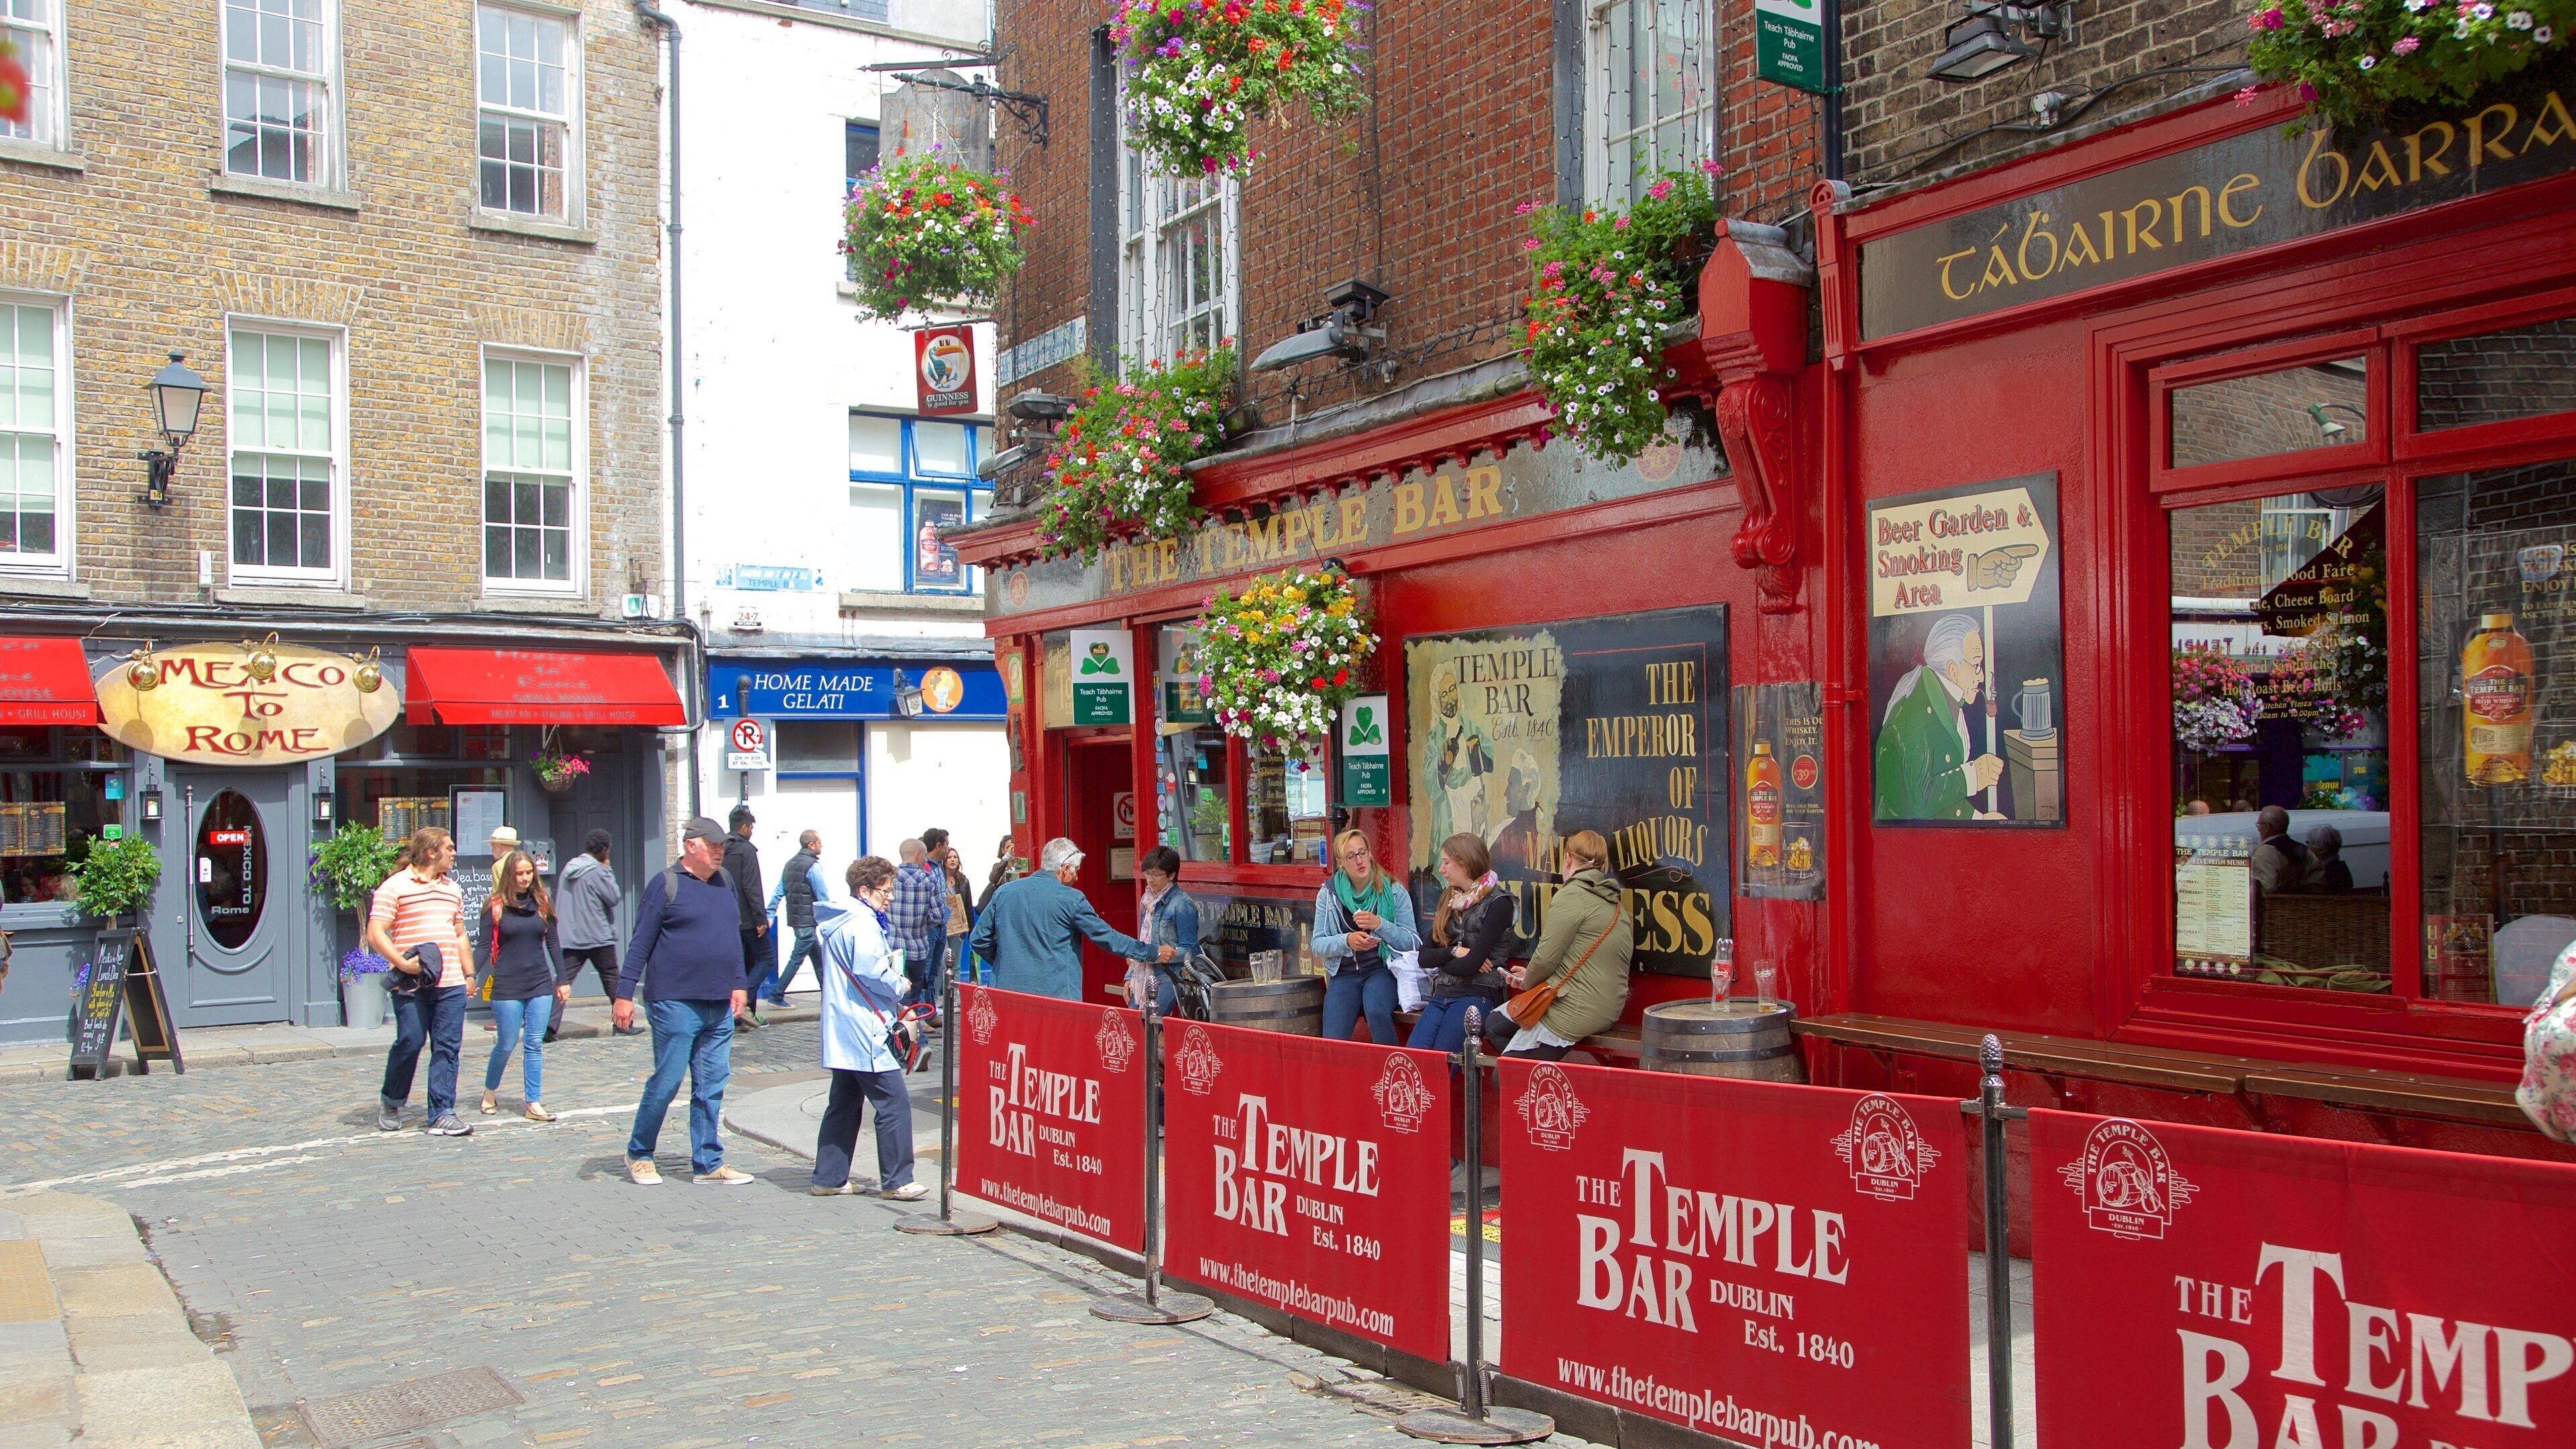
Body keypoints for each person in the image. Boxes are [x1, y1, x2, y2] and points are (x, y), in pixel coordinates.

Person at [614, 816, 756, 1187]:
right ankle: (640, 1153)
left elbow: (732, 939)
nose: (719, 852)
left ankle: (708, 1162)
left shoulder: (724, 882)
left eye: (721, 845)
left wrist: (739, 983)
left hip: (718, 1002)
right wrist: (624, 993)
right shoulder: (666, 883)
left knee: (711, 1084)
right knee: (668, 1079)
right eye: (712, 846)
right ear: (691, 845)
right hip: (674, 1001)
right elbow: (641, 941)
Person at [809, 855, 928, 1200]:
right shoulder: (861, 923)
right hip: (865, 1030)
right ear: (864, 891)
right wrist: (899, 985)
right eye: (884, 891)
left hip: (847, 1027)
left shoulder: (841, 919)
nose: (890, 897)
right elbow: (871, 971)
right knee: (894, 1103)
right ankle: (898, 1180)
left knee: (844, 1103)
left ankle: (829, 1178)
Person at [369, 826, 478, 1137]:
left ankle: (442, 1112)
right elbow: (376, 933)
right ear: (431, 852)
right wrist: (402, 962)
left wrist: (469, 974)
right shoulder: (395, 887)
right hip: (412, 984)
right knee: (411, 1041)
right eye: (449, 847)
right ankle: (392, 1099)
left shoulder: (452, 889)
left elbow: (460, 935)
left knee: (447, 1048)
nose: (454, 853)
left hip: (451, 984)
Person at [969, 838, 1173, 1001]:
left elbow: (978, 939)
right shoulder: (1071, 899)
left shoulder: (1005, 892)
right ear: (1065, 868)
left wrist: (1007, 961)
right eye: (1075, 870)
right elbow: (1107, 937)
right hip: (1054, 995)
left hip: (1006, 991)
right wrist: (1151, 952)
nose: (1076, 877)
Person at [1492, 830, 1631, 1060]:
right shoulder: (1614, 901)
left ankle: (1544, 1085)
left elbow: (1546, 957)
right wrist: (1530, 977)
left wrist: (1529, 981)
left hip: (1575, 1009)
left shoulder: (1571, 896)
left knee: (1506, 1074)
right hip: (1609, 1010)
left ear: (1567, 859)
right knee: (1495, 1022)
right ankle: (1543, 1072)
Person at [1874, 612, 2006, 822]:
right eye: (1977, 665)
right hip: (1906, 841)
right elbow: (1922, 800)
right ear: (1952, 670)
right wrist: (1973, 776)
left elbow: (1944, 797)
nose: (1981, 676)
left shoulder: (1946, 702)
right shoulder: (1915, 714)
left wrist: (1980, 819)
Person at [476, 848, 568, 1121]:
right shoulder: (495, 906)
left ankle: (534, 1102)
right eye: (520, 873)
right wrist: (469, 974)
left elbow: (553, 943)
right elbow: (483, 946)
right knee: (506, 1043)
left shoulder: (542, 902)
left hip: (539, 982)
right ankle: (490, 1091)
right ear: (509, 876)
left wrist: (562, 979)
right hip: (507, 984)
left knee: (534, 1044)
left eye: (529, 872)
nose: (525, 878)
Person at [1409, 833, 1513, 1055]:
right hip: (1442, 993)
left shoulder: (1499, 903)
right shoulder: (1449, 899)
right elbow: (1424, 957)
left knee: (1444, 1062)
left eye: (1446, 863)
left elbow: (1469, 967)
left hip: (1478, 993)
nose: (1441, 870)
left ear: (1465, 863)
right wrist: (1456, 952)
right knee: (1415, 1060)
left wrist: (1453, 958)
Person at [1312, 830, 1419, 1045]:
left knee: (1377, 1011)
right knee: (1333, 1038)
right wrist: (1346, 941)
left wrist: (1380, 924)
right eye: (1351, 856)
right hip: (1343, 974)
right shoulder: (1329, 894)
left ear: (1370, 854)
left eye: (1363, 852)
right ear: (1341, 863)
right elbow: (1317, 944)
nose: (1360, 860)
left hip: (1381, 970)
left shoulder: (1394, 890)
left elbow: (1413, 942)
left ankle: (1390, 1071)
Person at [553, 830, 636, 1040]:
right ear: (603, 850)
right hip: (598, 936)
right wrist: (608, 870)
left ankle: (547, 1026)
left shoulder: (569, 869)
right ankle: (624, 1024)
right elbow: (613, 897)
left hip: (572, 936)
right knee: (612, 979)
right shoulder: (597, 871)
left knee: (563, 981)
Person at [1124, 846, 1202, 1014]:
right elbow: (1141, 945)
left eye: (1155, 874)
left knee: (1148, 1024)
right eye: (1147, 874)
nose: (1150, 880)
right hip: (1141, 974)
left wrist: (1170, 953)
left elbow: (1191, 951)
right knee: (1133, 1027)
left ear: (1171, 875)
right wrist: (1129, 976)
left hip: (1169, 976)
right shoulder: (1147, 901)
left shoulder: (1183, 905)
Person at [765, 830, 828, 1005]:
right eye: (820, 842)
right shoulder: (812, 866)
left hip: (797, 921)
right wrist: (829, 918)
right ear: (811, 845)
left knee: (820, 959)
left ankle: (828, 996)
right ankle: (776, 995)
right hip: (807, 921)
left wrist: (770, 912)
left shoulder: (790, 864)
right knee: (796, 959)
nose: (822, 845)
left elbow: (778, 891)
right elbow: (822, 895)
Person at [722, 805, 771, 1028]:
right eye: (751, 827)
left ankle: (745, 1013)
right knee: (767, 958)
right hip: (749, 919)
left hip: (728, 917)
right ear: (744, 827)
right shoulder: (746, 850)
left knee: (743, 963)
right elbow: (752, 887)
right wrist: (760, 918)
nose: (751, 831)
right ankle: (740, 1003)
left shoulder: (720, 849)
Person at [889, 839, 949, 1013]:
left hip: (893, 948)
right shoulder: (929, 880)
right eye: (923, 856)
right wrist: (923, 923)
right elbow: (938, 916)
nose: (925, 860)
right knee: (913, 996)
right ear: (917, 855)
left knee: (893, 994)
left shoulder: (890, 877)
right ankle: (913, 1031)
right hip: (918, 949)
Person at [2251, 805, 2314, 894]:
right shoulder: (2304, 850)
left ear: (2267, 827)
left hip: (2276, 907)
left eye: (2259, 824)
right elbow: (2317, 882)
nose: (2258, 829)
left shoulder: (2264, 853)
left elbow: (2267, 890)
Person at [2305, 824, 2353, 893]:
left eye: (2308, 842)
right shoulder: (2340, 868)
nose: (2307, 846)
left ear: (2318, 847)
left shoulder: (2328, 873)